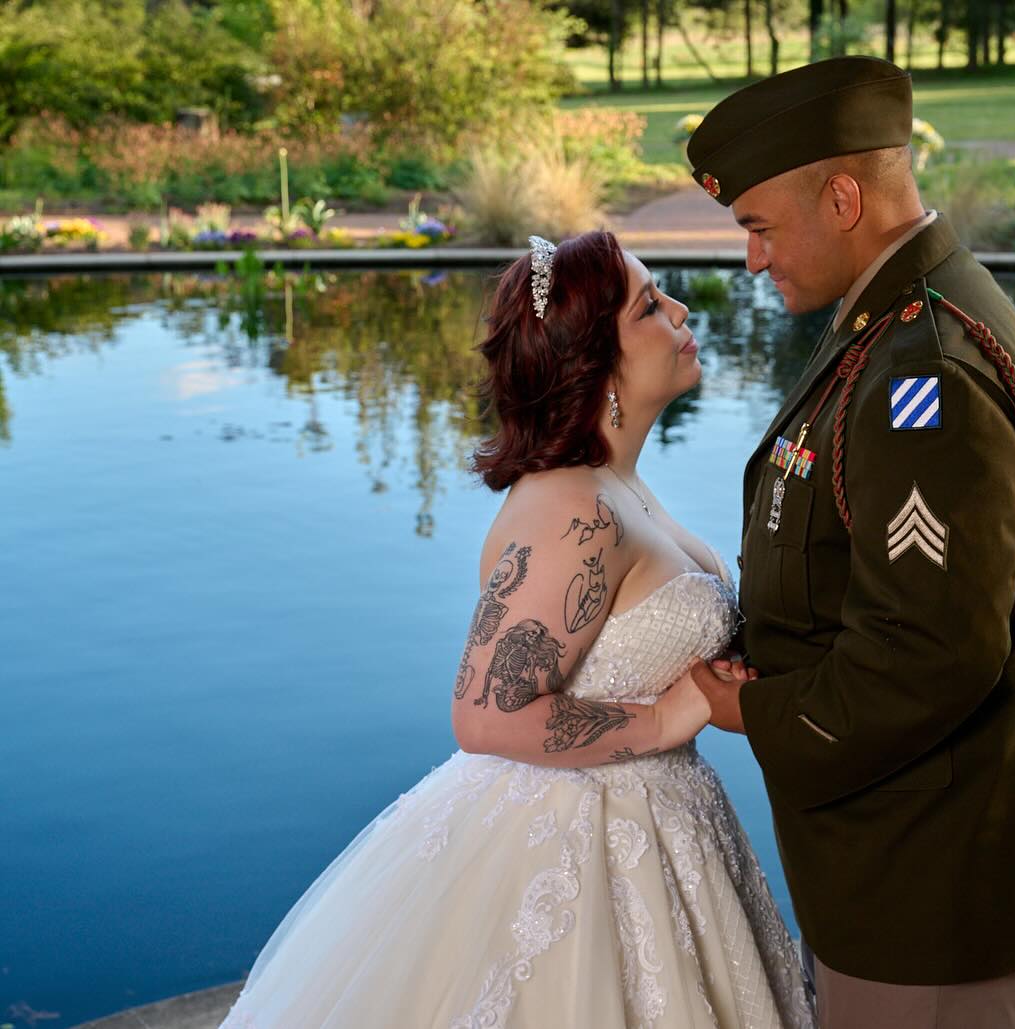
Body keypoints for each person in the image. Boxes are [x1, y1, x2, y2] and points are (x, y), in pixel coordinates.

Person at [217, 230, 814, 1029]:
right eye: (648, 305)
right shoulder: (574, 509)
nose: (679, 310)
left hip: (666, 827)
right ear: (595, 364)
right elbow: (487, 712)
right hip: (581, 849)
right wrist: (669, 716)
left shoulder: (617, 484)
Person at [683, 57, 1015, 1029]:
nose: (751, 259)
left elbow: (929, 653)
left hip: (942, 865)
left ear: (842, 197)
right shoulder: (893, 320)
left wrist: (755, 715)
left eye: (758, 226)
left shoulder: (921, 371)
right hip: (914, 842)